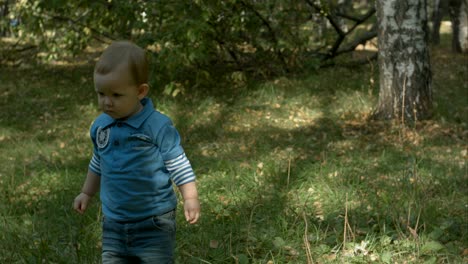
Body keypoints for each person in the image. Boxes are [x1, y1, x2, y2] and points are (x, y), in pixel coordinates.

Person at [73, 40, 200, 263]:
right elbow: (98, 162)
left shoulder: (157, 126)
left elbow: (178, 164)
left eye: (116, 95)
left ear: (140, 91)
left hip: (153, 222)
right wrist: (86, 192)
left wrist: (190, 197)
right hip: (113, 222)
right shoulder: (101, 126)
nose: (106, 102)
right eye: (101, 94)